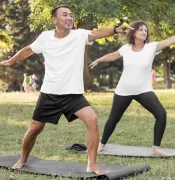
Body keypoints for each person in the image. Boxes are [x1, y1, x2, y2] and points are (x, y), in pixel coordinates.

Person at [0, 5, 132, 174]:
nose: (69, 18)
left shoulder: (79, 35)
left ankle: (92, 164)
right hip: (50, 94)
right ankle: (23, 158)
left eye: (70, 15)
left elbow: (97, 33)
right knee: (35, 129)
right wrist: (11, 61)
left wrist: (115, 29)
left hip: (73, 95)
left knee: (92, 121)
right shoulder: (45, 37)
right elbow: (28, 50)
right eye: (65, 15)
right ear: (55, 20)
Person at [90, 21, 175, 156]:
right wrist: (98, 60)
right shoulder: (126, 48)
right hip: (123, 90)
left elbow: (168, 41)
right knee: (113, 118)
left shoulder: (151, 47)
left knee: (161, 114)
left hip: (143, 90)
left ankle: (156, 148)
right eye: (140, 29)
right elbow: (113, 56)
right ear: (133, 33)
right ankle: (101, 145)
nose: (144, 32)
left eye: (145, 30)